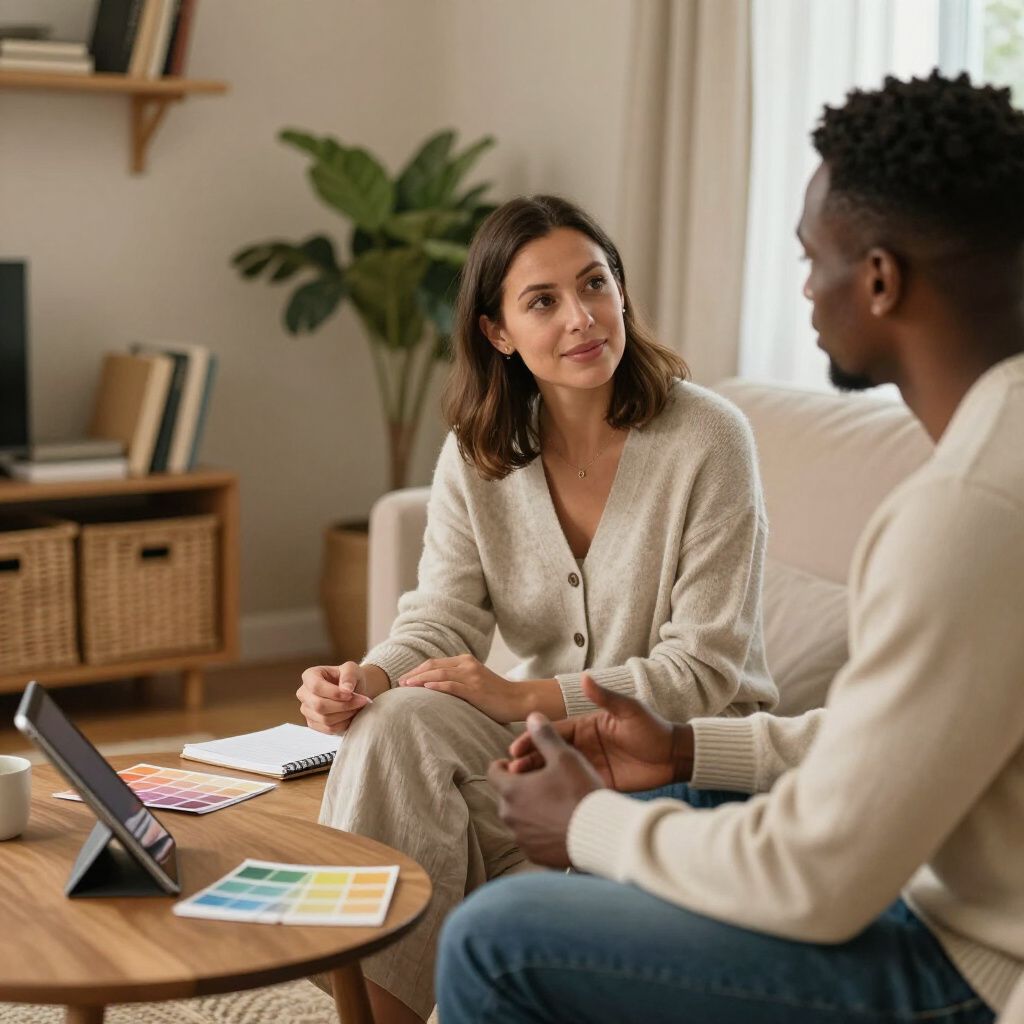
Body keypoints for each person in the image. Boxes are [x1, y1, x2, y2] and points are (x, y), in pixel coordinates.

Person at [436, 71, 1024, 1024]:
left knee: (497, 937)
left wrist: (590, 823)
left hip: (967, 973)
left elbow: (815, 879)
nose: (802, 285)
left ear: (879, 279)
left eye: (810, 256)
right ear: (498, 334)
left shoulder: (967, 513)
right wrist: (680, 750)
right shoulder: (997, 464)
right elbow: (896, 738)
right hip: (952, 917)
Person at [295, 194, 777, 1022]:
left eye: (596, 284)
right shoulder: (480, 452)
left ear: (621, 290)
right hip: (543, 738)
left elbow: (702, 671)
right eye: (544, 301)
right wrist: (365, 677)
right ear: (498, 333)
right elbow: (442, 617)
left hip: (675, 751)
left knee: (429, 817)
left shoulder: (709, 440)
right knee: (392, 727)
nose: (583, 318)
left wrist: (524, 696)